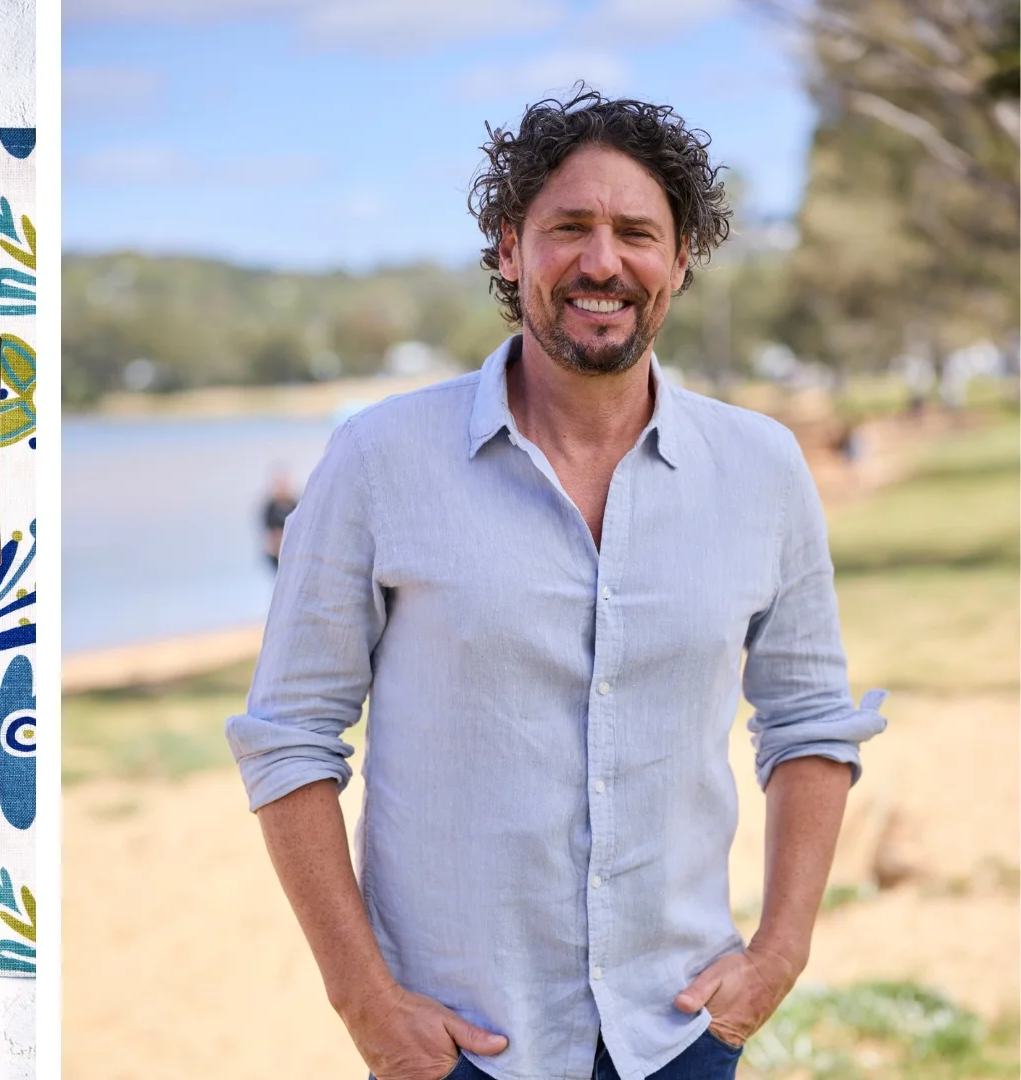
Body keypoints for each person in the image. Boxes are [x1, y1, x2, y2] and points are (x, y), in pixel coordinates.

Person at [225, 90, 886, 1080]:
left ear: (683, 260)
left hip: (682, 1034)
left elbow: (808, 724)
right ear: (508, 249)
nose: (602, 262)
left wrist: (779, 954)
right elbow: (289, 735)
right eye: (568, 228)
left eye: (637, 233)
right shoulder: (378, 459)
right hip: (458, 1048)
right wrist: (364, 1001)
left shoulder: (763, 468)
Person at [262, 470, 299, 569]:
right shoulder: (270, 507)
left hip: (293, 552)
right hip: (275, 553)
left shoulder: (296, 505)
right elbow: (268, 533)